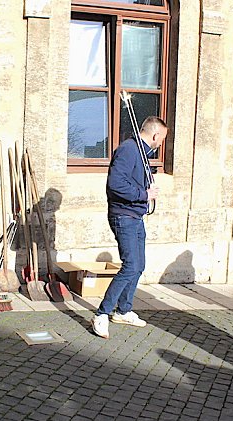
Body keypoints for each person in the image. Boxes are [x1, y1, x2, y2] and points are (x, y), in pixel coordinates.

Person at [92, 116, 168, 339]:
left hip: (136, 216)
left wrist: (147, 184)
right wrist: (144, 194)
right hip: (123, 216)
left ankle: (123, 310)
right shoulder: (128, 149)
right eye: (161, 139)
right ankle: (102, 313)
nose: (161, 144)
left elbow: (132, 179)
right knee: (131, 265)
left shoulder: (142, 153)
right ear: (155, 136)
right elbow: (115, 184)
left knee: (139, 265)